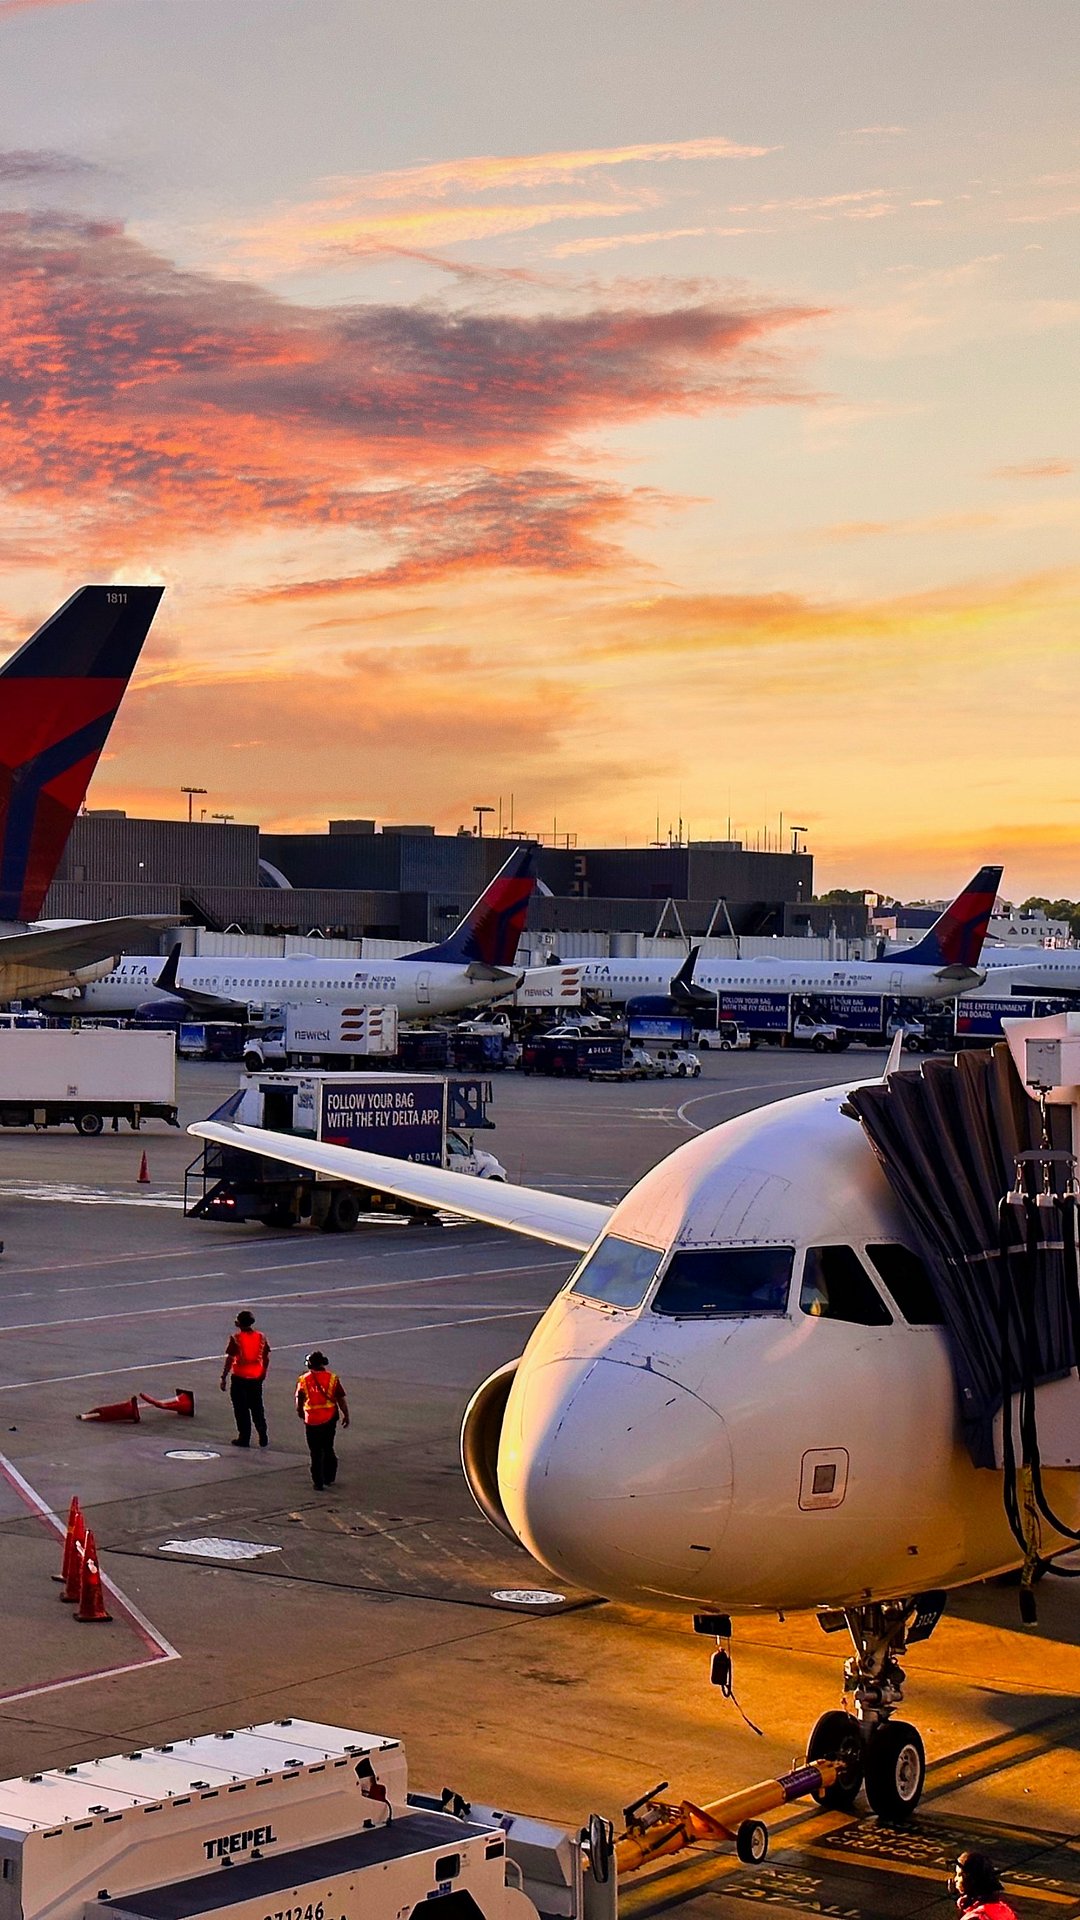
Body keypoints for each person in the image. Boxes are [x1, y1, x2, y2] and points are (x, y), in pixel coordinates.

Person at [295, 1349, 349, 1490]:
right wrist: (346, 1414)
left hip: (311, 1420)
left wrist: (300, 1411)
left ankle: (317, 1482)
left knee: (315, 1451)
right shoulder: (332, 1378)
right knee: (328, 1447)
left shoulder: (303, 1379)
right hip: (329, 1418)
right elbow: (340, 1399)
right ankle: (329, 1476)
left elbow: (299, 1399)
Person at [219, 1310, 270, 1448]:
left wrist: (224, 1377)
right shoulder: (261, 1337)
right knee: (257, 1407)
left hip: (240, 1377)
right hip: (256, 1377)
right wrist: (263, 1372)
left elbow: (230, 1359)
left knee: (241, 1409)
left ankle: (244, 1437)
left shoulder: (236, 1338)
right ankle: (262, 1433)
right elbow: (266, 1357)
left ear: (238, 1323)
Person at [951, 1851, 1019, 1919]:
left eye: (960, 1875)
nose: (955, 1879)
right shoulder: (1004, 1909)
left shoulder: (976, 1917)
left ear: (972, 1878)